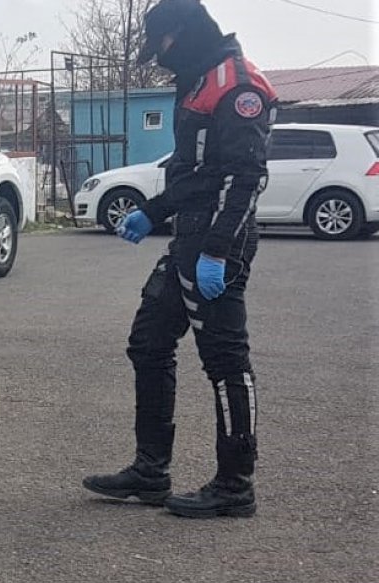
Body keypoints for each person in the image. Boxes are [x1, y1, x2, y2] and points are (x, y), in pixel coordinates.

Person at [82, 0, 277, 519]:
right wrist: (152, 211)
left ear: (183, 33)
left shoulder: (236, 84)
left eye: (162, 46)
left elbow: (245, 178)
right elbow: (194, 174)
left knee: (226, 362)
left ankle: (236, 485)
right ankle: (151, 471)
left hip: (218, 242)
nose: (160, 58)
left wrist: (217, 251)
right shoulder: (196, 80)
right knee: (148, 342)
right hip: (187, 237)